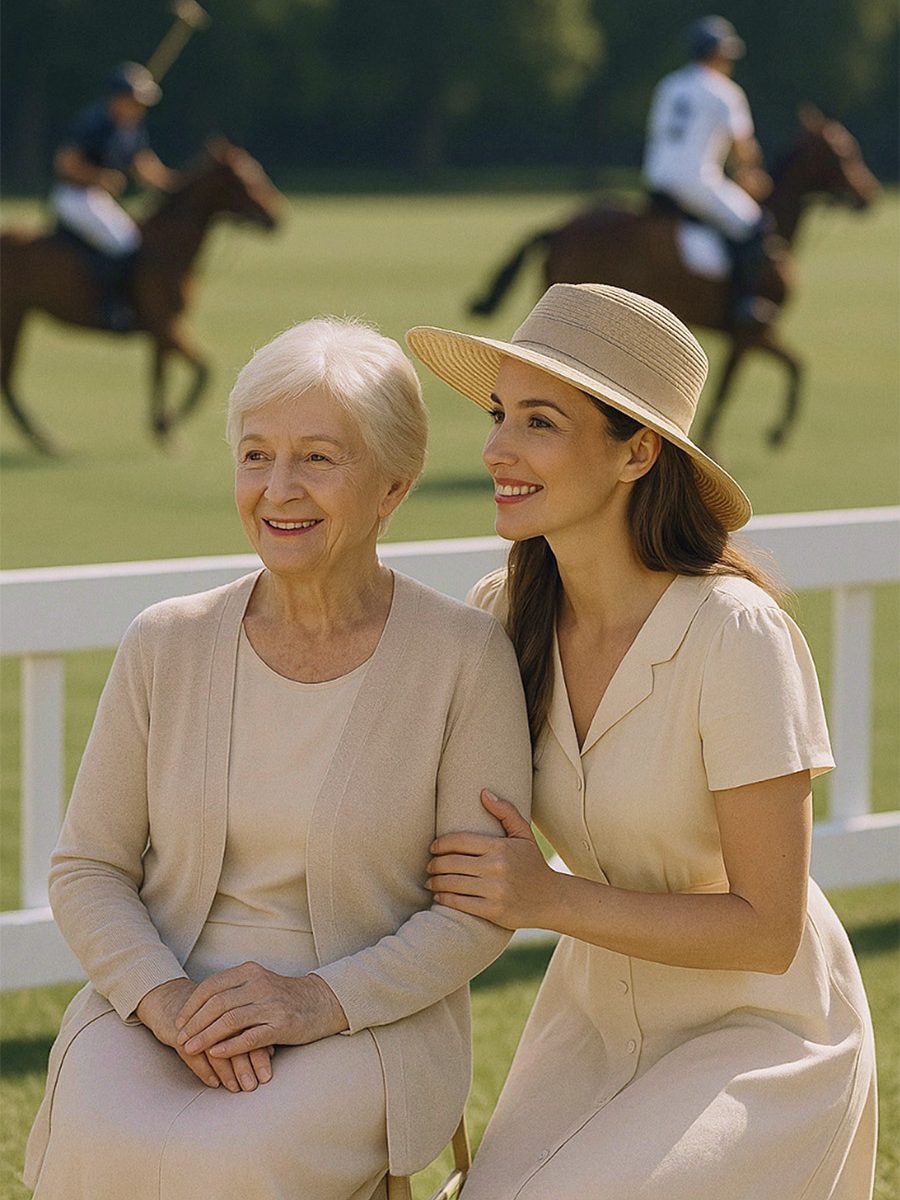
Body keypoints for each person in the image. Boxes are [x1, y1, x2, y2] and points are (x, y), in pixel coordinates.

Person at [24, 318, 532, 1200]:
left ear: (392, 487)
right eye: (255, 455)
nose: (278, 489)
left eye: (319, 459)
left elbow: (479, 912)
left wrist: (315, 1002)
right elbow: (87, 869)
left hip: (365, 1016)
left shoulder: (464, 657)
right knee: (102, 1145)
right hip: (161, 1004)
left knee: (229, 1161)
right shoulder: (165, 643)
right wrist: (167, 1002)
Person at [406, 283, 877, 1199]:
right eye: (501, 414)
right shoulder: (501, 619)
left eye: (540, 422)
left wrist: (546, 896)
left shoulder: (736, 635)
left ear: (637, 452)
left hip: (762, 1035)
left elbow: (769, 930)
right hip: (592, 1024)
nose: (498, 447)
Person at [642, 16, 776, 329]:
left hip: (656, 179)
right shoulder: (725, 92)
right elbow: (743, 148)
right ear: (717, 54)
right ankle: (744, 304)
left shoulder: (670, 84)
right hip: (694, 181)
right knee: (755, 225)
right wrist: (750, 174)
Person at [50, 62, 178, 330]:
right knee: (124, 241)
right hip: (74, 196)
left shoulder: (130, 128)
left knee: (132, 237)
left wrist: (176, 186)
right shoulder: (95, 123)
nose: (140, 107)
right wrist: (97, 177)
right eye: (135, 100)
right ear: (118, 98)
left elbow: (143, 165)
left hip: (97, 199)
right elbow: (65, 163)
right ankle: (112, 307)